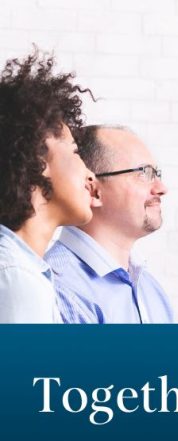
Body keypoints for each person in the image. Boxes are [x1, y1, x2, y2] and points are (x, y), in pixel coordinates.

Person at [0, 50, 96, 323]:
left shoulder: (25, 271)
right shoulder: (16, 277)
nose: (89, 173)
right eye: (75, 152)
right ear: (37, 158)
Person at [45, 125, 174, 323]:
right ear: (93, 189)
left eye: (157, 174)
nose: (161, 188)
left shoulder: (151, 290)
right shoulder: (57, 287)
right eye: (144, 173)